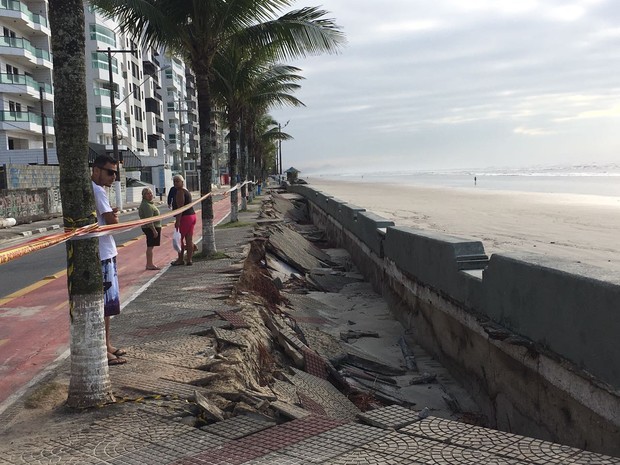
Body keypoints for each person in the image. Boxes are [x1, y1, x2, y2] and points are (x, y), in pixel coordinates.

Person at [91, 154, 127, 366]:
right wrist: (114, 217)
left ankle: (107, 344)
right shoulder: (97, 190)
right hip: (102, 253)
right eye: (109, 172)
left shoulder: (99, 190)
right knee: (104, 306)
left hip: (106, 251)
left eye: (115, 172)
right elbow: (113, 223)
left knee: (108, 306)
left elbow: (107, 219)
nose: (113, 176)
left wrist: (110, 216)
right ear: (96, 170)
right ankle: (103, 349)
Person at [170, 174, 197, 266]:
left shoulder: (180, 192)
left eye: (177, 181)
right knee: (189, 240)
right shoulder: (186, 190)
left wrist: (178, 221)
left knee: (179, 239)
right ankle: (189, 259)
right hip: (192, 216)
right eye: (174, 181)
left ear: (182, 182)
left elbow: (180, 207)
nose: (175, 183)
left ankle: (180, 259)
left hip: (185, 218)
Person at [138, 187, 162, 271]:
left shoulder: (150, 203)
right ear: (144, 195)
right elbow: (149, 219)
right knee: (150, 246)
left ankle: (149, 263)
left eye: (151, 193)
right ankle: (149, 264)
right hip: (151, 228)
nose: (150, 195)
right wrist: (154, 230)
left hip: (154, 227)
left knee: (151, 246)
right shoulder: (146, 205)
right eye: (147, 194)